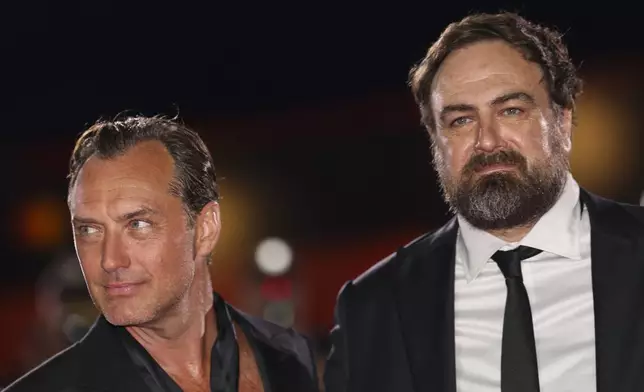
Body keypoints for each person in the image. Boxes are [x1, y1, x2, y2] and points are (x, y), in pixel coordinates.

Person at [324, 12, 644, 392]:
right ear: (435, 142)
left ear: (562, 121)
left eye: (511, 111)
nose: (488, 141)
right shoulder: (373, 307)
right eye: (461, 120)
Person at [4, 116, 319, 392]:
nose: (109, 260)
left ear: (206, 229)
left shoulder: (293, 359)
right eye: (89, 230)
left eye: (137, 224)